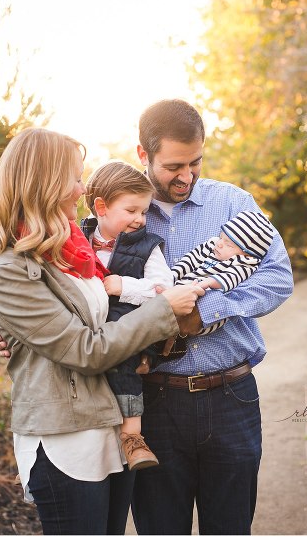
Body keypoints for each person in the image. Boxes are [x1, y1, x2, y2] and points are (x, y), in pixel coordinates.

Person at [0, 100, 294, 534]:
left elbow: (278, 278)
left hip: (230, 395)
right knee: (160, 528)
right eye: (174, 165)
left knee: (230, 527)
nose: (186, 175)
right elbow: (48, 276)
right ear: (143, 154)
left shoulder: (233, 203)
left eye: (196, 162)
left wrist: (203, 310)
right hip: (151, 401)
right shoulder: (113, 211)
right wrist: (1, 325)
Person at [0, 127, 204, 535]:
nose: (81, 188)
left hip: (108, 424)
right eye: (74, 178)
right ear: (45, 183)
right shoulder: (8, 267)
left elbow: (94, 315)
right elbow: (86, 350)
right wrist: (163, 309)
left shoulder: (68, 248)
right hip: (66, 436)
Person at [79, 159, 175, 471]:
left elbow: (164, 289)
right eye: (131, 210)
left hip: (127, 325)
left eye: (144, 211)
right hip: (85, 329)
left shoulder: (148, 246)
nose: (141, 219)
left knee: (123, 367)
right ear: (101, 206)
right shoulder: (76, 238)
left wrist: (125, 286)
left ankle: (133, 437)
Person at [170, 210, 276, 336]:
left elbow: (232, 277)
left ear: (247, 253)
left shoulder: (246, 262)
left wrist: (209, 282)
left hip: (203, 302)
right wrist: (172, 276)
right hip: (180, 290)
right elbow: (190, 260)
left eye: (228, 244)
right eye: (221, 237)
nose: (220, 244)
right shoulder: (213, 244)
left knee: (179, 328)